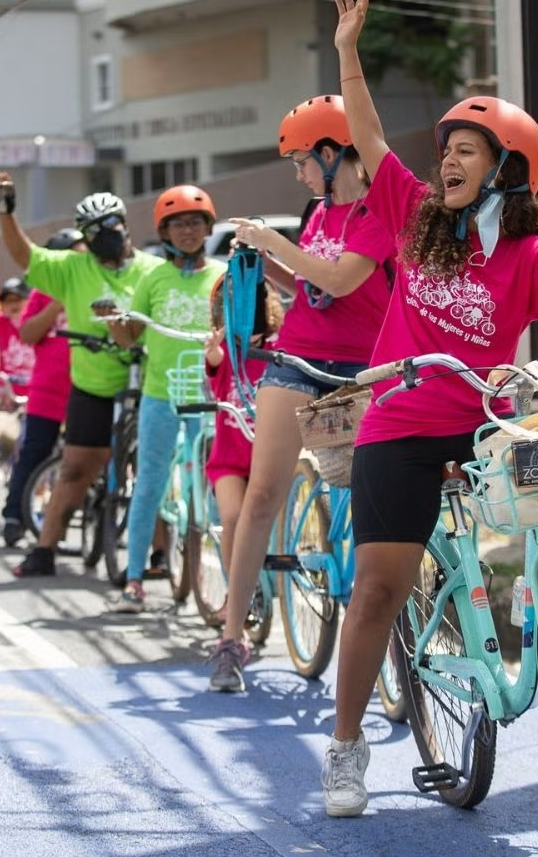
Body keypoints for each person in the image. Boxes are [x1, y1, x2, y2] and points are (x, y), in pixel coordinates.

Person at [314, 0, 538, 818]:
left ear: (507, 168)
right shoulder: (413, 213)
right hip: (399, 424)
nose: (450, 162)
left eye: (469, 151)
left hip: (485, 426)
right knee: (377, 592)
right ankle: (348, 748)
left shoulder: (529, 251)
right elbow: (364, 132)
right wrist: (348, 53)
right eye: (448, 150)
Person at [207, 94, 398, 692]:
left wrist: (272, 241)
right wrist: (264, 266)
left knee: (379, 504)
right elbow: (318, 287)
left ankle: (394, 638)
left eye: (300, 160)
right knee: (263, 494)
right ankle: (231, 637)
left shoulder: (378, 212)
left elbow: (343, 277)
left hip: (362, 371)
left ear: (332, 152)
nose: (298, 173)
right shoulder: (317, 214)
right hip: (296, 360)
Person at [0, 172, 163, 577]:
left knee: (152, 472)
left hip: (146, 384)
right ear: (84, 237)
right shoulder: (73, 267)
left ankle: (159, 556)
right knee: (73, 469)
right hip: (91, 386)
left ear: (125, 224)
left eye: (112, 225)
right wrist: (6, 210)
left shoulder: (153, 270)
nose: (107, 234)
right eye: (95, 230)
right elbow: (24, 255)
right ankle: (45, 549)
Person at [101, 185, 226, 612]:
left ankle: (230, 587)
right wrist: (113, 321)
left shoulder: (221, 276)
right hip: (160, 394)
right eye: (178, 224)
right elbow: (130, 334)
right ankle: (134, 581)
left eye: (195, 222)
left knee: (217, 490)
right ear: (164, 231)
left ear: (208, 227)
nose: (187, 230)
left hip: (210, 396)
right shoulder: (153, 276)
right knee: (150, 484)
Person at [202, 273, 284, 623]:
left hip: (267, 457)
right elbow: (217, 378)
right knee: (233, 517)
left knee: (267, 523)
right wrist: (214, 353)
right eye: (230, 305)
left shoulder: (279, 349)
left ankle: (261, 589)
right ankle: (234, 599)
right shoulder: (226, 353)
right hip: (229, 461)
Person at [0, 229, 84, 546]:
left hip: (87, 388)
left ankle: (71, 521)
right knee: (34, 452)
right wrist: (57, 304)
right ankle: (13, 515)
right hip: (48, 390)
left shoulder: (93, 287)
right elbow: (28, 334)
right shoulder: (42, 292)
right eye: (74, 254)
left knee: (81, 461)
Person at [0, 276, 34, 466]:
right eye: (7, 301)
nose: (13, 305)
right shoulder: (1, 323)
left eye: (17, 299)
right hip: (8, 391)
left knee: (27, 442)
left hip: (34, 393)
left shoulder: (37, 324)